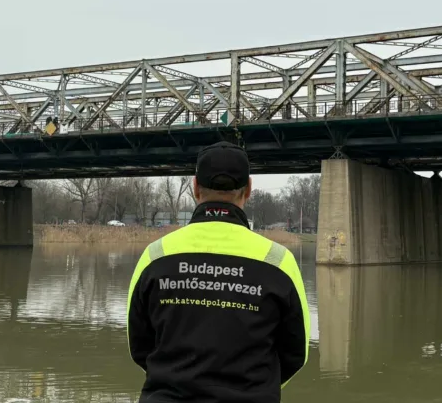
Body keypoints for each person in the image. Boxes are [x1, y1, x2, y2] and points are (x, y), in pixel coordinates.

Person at [126, 141, 310, 402]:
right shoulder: (278, 261)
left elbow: (138, 346)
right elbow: (295, 354)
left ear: (195, 187)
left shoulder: (155, 255)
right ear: (248, 189)